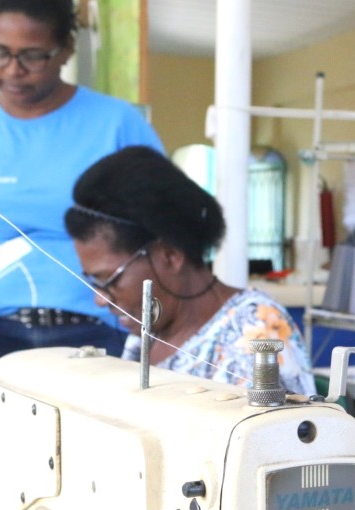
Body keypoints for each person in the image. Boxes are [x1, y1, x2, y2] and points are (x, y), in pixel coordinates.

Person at [0, 0, 164, 412]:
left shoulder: (118, 126)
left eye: (32, 55)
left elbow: (165, 242)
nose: (12, 70)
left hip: (101, 339)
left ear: (66, 48)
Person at [65, 146, 314, 394]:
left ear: (171, 256)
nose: (99, 299)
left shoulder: (255, 331)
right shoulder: (150, 328)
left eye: (110, 279)